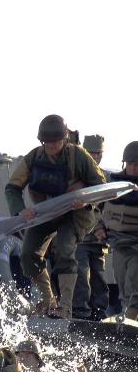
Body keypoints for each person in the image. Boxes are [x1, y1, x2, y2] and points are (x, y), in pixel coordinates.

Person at [5, 115, 106, 319]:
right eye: (47, 142)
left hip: (77, 213)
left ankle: (66, 307)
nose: (51, 146)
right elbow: (12, 188)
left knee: (65, 248)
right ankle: (48, 300)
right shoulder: (33, 158)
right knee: (28, 254)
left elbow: (101, 184)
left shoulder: (78, 155)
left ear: (65, 139)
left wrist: (85, 199)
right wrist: (20, 210)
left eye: (56, 142)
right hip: (47, 212)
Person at [97, 141, 138, 321]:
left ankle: (128, 326)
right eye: (131, 164)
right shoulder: (112, 184)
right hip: (118, 244)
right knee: (123, 290)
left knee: (133, 293)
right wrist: (99, 227)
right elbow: (95, 209)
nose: (134, 168)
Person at [72, 134, 110, 320]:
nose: (95, 157)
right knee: (81, 276)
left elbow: (108, 209)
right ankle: (81, 313)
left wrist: (104, 229)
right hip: (80, 237)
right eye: (91, 153)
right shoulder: (76, 177)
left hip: (99, 241)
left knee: (100, 279)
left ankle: (98, 314)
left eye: (98, 154)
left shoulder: (104, 179)